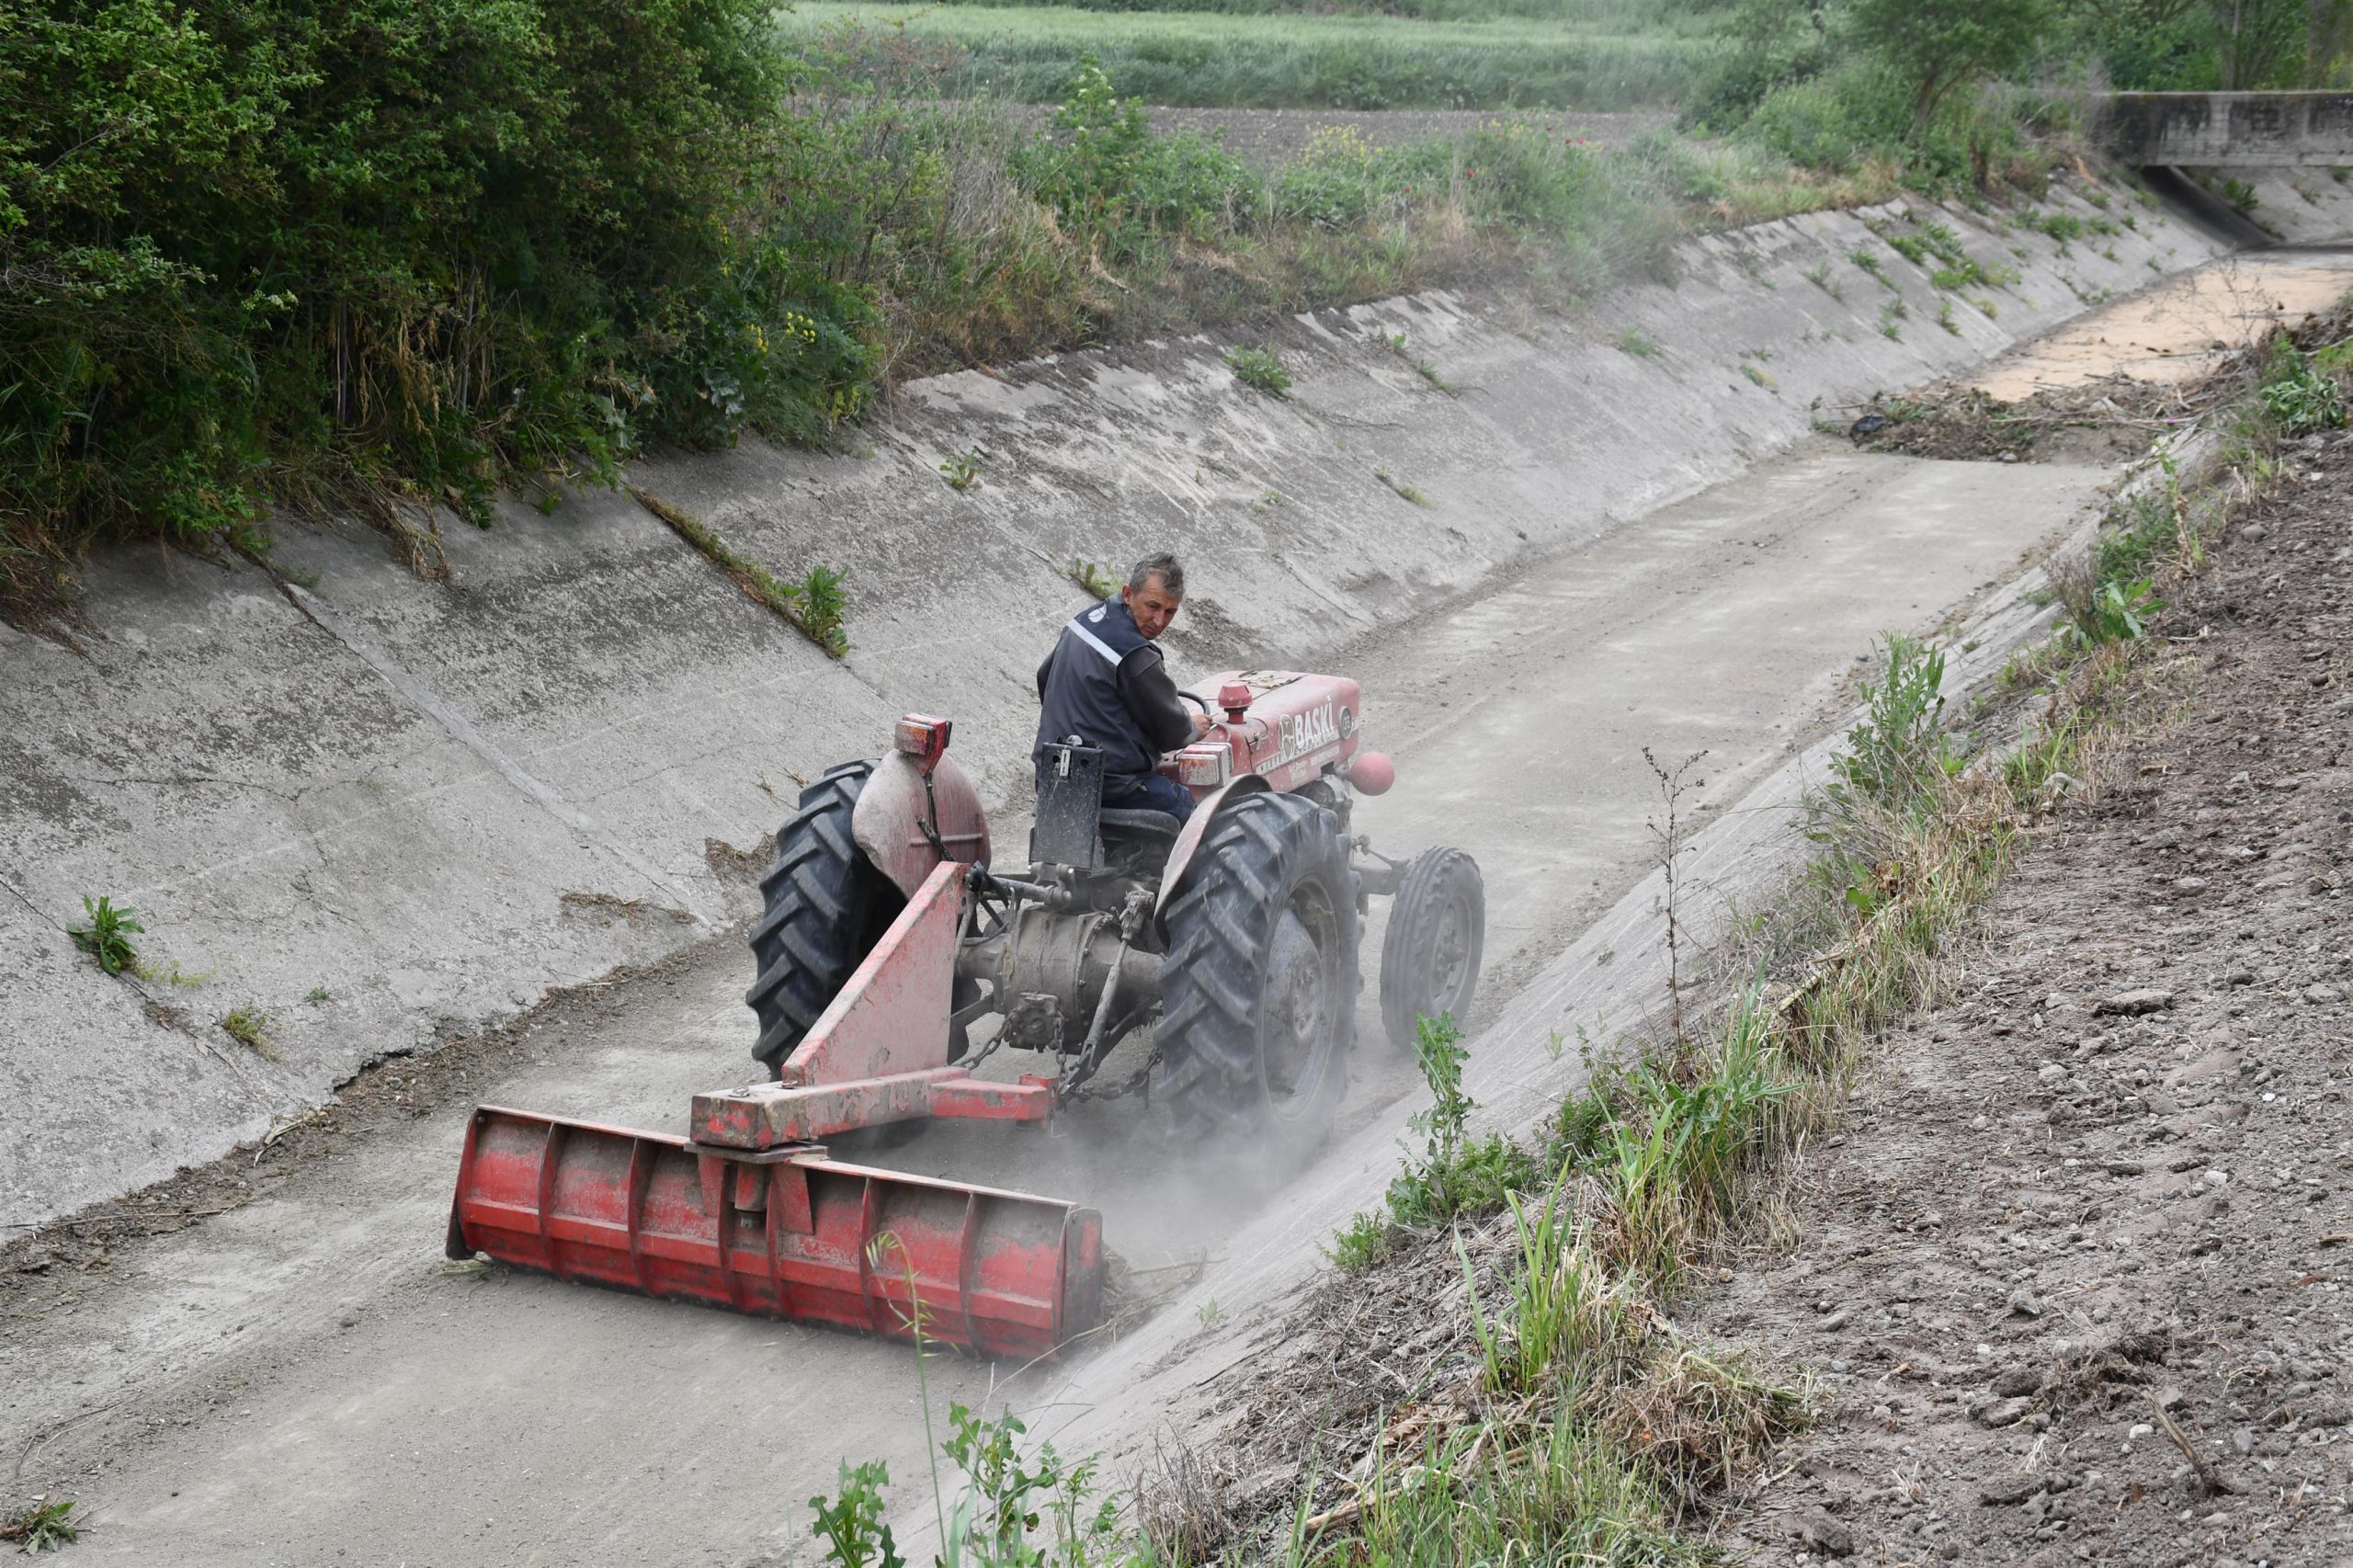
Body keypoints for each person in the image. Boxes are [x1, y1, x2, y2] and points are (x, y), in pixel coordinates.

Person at [1034, 552, 1212, 824]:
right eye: (1153, 606)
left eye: (1170, 612)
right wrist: (1192, 728)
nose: (1159, 621)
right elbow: (1170, 730)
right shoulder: (1135, 654)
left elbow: (1044, 677)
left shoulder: (1083, 622)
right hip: (1110, 786)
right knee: (1188, 806)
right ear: (1128, 594)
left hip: (1052, 775)